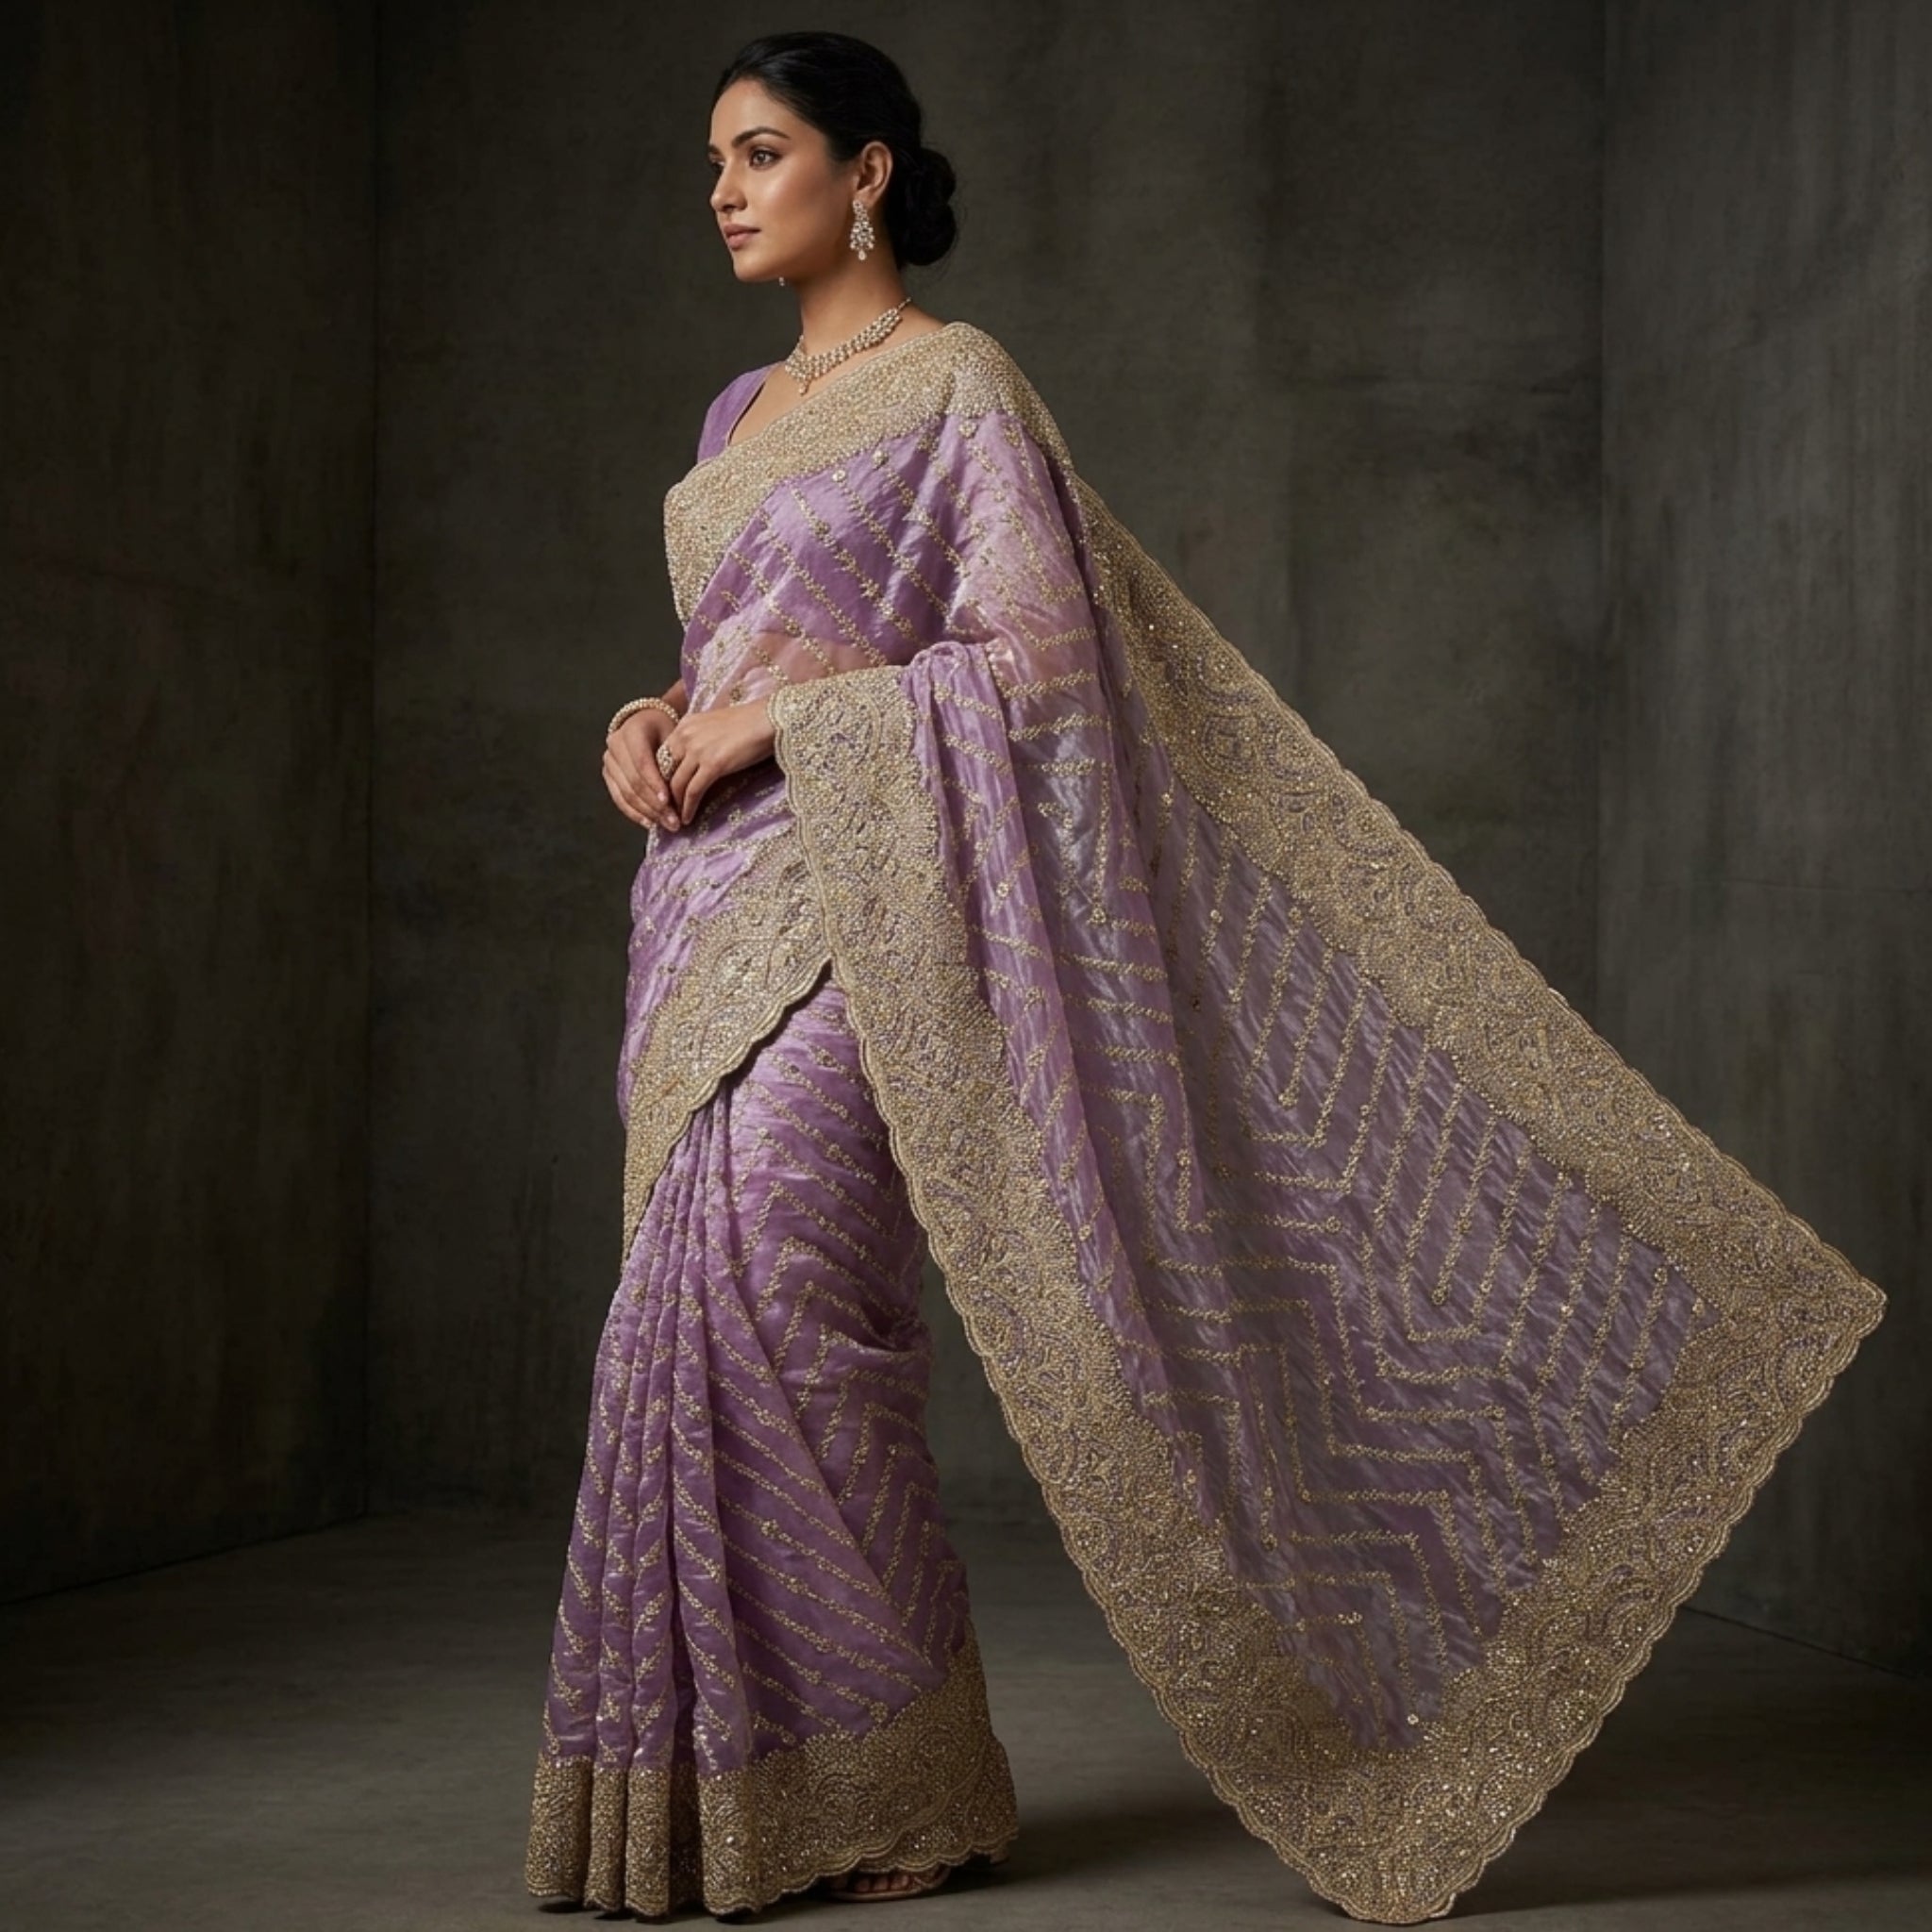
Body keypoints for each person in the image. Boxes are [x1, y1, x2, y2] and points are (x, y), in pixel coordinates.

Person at [525, 28, 1886, 1927]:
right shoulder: (730, 413)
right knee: (676, 1327)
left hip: (855, 911)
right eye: (713, 164)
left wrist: (779, 723)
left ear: (871, 177)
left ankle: (909, 1774)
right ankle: (730, 1794)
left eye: (762, 154)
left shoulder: (957, 387)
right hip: (696, 913)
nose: (725, 191)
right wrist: (652, 716)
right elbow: (723, 646)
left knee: (796, 1307)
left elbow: (1031, 665)